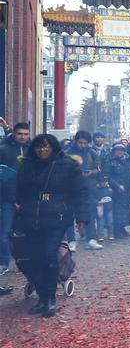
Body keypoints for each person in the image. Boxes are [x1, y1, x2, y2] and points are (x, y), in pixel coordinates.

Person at [13, 134, 89, 316]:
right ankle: (42, 297)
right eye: (39, 147)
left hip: (57, 217)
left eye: (46, 146)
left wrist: (82, 217)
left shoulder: (68, 165)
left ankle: (50, 298)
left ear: (53, 147)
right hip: (31, 218)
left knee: (49, 255)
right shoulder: (27, 165)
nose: (42, 150)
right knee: (35, 258)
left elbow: (80, 192)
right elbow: (19, 191)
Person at [0, 121, 30, 279]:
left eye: (26, 134)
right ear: (14, 134)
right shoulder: (3, 150)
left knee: (28, 231)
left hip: (28, 198)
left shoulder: (34, 150)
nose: (23, 137)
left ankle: (26, 260)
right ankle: (3, 262)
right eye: (20, 134)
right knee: (4, 231)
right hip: (8, 197)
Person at [67, 130, 102, 249]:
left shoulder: (92, 153)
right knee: (70, 214)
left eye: (85, 143)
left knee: (90, 212)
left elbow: (98, 169)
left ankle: (91, 238)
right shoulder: (68, 153)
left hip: (88, 186)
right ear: (76, 141)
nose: (82, 145)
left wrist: (91, 172)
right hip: (71, 187)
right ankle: (71, 240)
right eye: (80, 143)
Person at [104, 143, 130, 239]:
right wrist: (117, 186)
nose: (120, 152)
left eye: (122, 150)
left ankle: (122, 227)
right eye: (117, 150)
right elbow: (107, 176)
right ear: (114, 150)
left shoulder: (126, 160)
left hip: (127, 188)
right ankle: (115, 230)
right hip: (115, 189)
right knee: (116, 211)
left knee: (126, 210)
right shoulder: (109, 160)